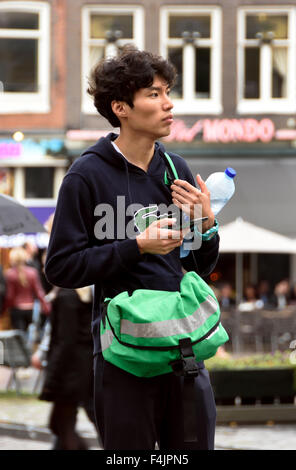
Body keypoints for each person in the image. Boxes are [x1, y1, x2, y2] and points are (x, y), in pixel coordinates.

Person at [45, 48, 220, 450]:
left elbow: (197, 265)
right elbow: (60, 268)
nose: (169, 103)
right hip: (124, 356)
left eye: (167, 91)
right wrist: (136, 247)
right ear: (120, 107)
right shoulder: (85, 175)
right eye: (154, 94)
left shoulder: (175, 168)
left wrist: (207, 225)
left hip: (184, 351)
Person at [38, 286, 98, 450]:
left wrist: (52, 378)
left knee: (63, 425)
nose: (45, 270)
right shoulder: (80, 295)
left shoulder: (68, 297)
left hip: (70, 372)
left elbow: (65, 341)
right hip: (81, 368)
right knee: (60, 424)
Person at [3, 247, 50, 332]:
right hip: (30, 308)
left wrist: (4, 308)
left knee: (19, 338)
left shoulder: (9, 274)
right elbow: (39, 292)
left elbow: (10, 296)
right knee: (30, 337)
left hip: (17, 309)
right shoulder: (32, 272)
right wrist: (46, 307)